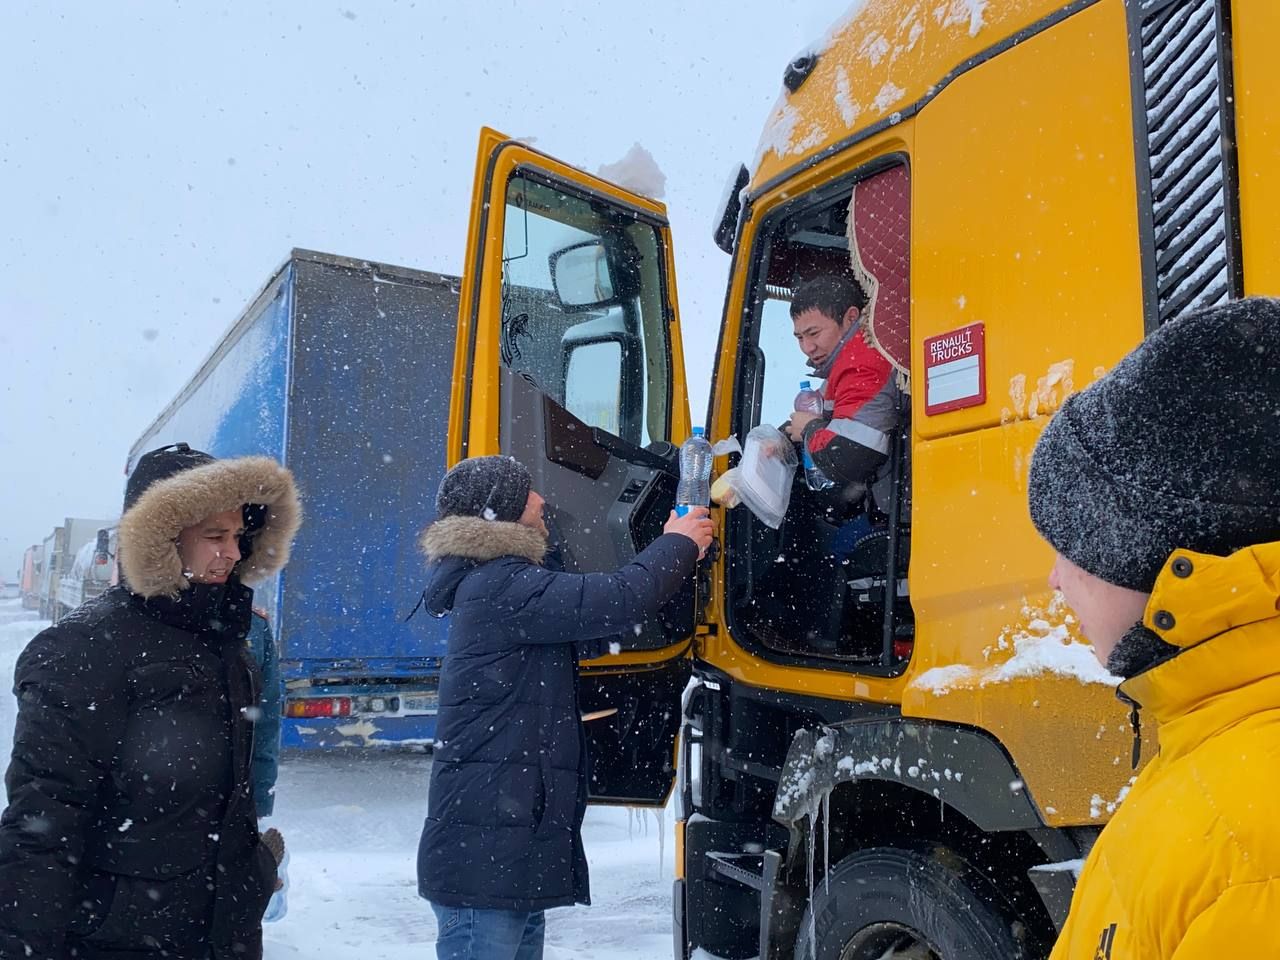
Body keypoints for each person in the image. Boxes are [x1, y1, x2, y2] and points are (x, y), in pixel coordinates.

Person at [1026, 298, 1280, 959]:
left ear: (1158, 552)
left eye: (1070, 542)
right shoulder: (1214, 739)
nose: (1055, 578)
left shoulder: (1249, 849)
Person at [0, 443, 302, 960]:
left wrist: (252, 870)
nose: (231, 553)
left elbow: (228, 792)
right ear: (161, 538)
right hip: (120, 937)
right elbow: (43, 823)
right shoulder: (82, 649)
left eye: (236, 536)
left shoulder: (229, 642)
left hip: (221, 933)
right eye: (214, 537)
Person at [415, 455, 713, 960]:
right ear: (501, 511)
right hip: (487, 852)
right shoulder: (503, 586)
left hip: (504, 848)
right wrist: (678, 542)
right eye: (529, 493)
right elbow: (618, 598)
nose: (541, 500)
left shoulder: (505, 584)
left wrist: (677, 566)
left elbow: (606, 621)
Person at [783, 275, 897, 496]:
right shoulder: (846, 363)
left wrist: (808, 429)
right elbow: (821, 408)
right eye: (799, 338)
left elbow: (852, 457)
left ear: (850, 318)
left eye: (814, 333)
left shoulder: (862, 360)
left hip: (901, 506)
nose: (807, 347)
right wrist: (780, 439)